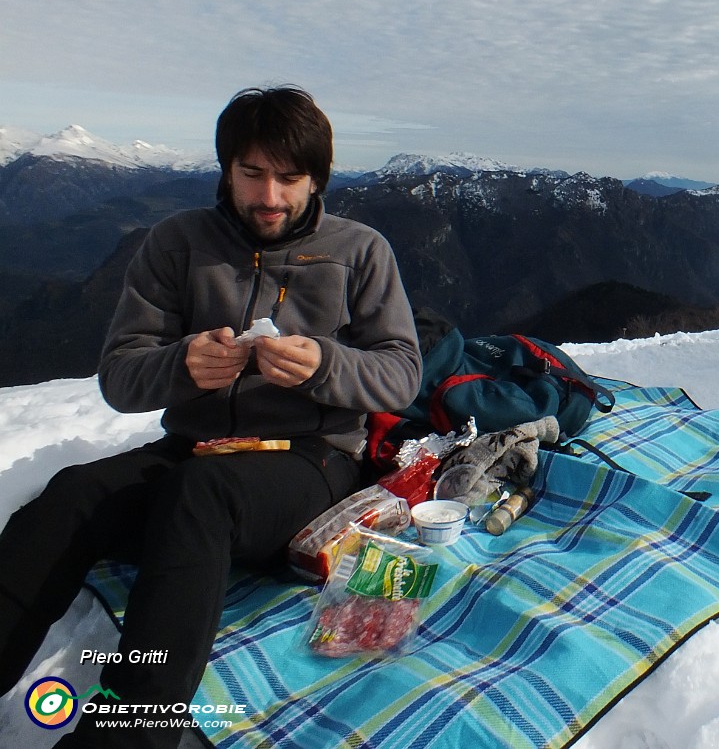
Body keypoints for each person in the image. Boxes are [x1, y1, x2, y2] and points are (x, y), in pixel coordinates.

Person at [0, 87, 422, 747]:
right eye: (252, 173)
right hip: (197, 446)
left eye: (289, 178)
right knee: (73, 495)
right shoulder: (176, 244)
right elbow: (119, 375)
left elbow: (401, 371)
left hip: (310, 460)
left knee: (198, 498)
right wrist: (182, 367)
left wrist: (323, 366)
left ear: (318, 180)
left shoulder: (360, 250)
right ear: (226, 170)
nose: (270, 197)